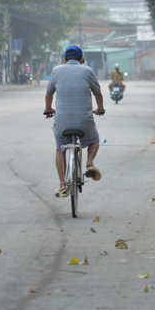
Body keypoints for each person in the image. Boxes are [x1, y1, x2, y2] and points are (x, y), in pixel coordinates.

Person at [44, 45, 105, 197]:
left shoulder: (56, 70)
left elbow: (48, 95)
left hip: (62, 121)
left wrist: (48, 109)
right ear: (82, 59)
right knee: (95, 140)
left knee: (60, 148)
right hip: (84, 122)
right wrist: (100, 109)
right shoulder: (88, 71)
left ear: (64, 59)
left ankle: (62, 185)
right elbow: (98, 94)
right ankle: (90, 163)